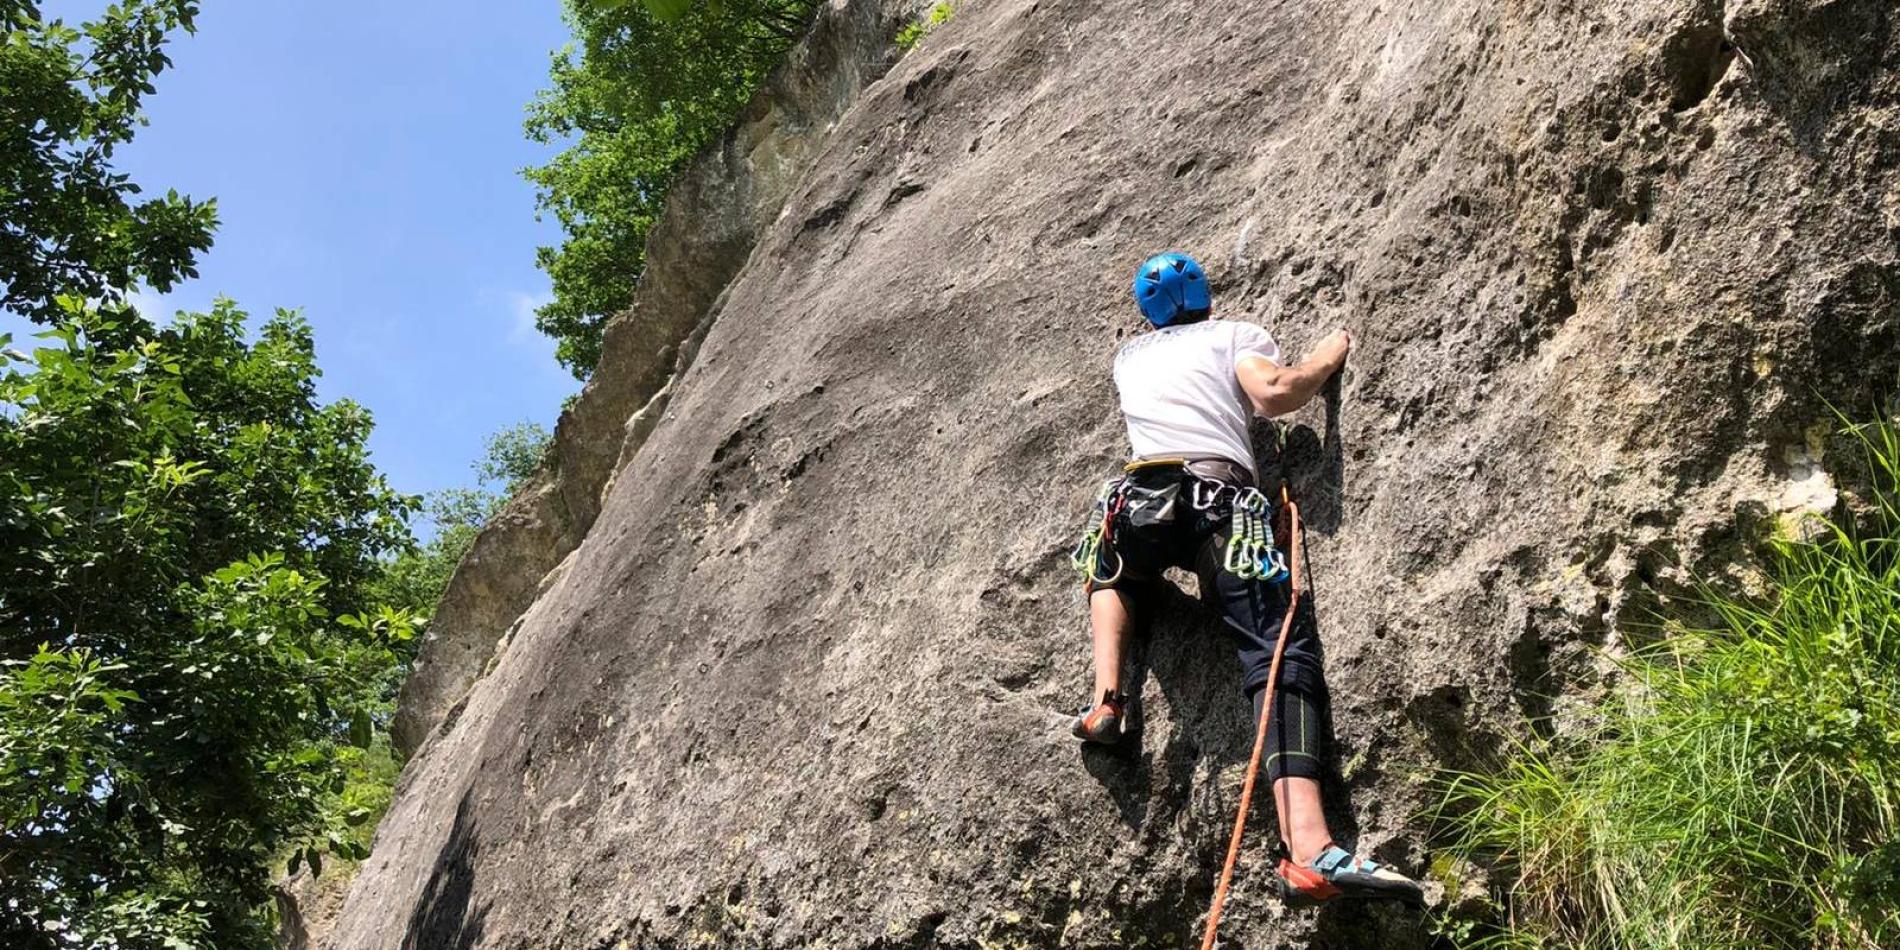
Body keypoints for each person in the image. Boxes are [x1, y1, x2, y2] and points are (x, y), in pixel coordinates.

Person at [1070, 251, 1422, 906]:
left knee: (1108, 563)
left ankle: (1108, 700)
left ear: (1148, 315)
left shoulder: (1130, 360)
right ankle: (1310, 848)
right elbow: (1274, 393)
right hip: (1216, 501)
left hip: (1139, 501)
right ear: (1205, 295)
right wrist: (1328, 352)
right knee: (1276, 650)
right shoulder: (1233, 334)